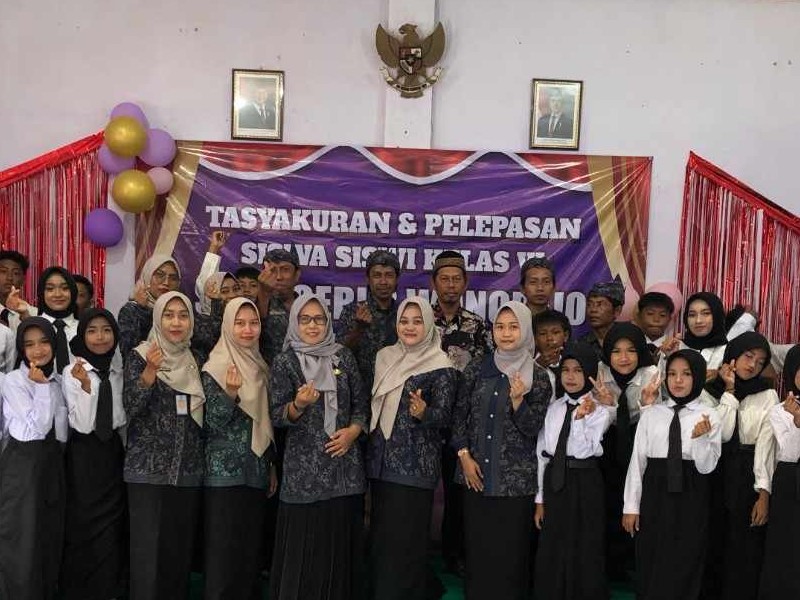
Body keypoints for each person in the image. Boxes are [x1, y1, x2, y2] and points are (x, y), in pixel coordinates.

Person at [268, 294, 368, 600]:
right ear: (295, 323)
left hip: (343, 468)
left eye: (319, 319)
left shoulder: (343, 357)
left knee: (339, 548)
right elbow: (276, 415)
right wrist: (297, 405)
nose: (313, 326)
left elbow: (361, 404)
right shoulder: (285, 361)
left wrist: (353, 431)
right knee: (305, 550)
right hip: (304, 473)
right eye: (305, 319)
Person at [452, 300, 551, 599]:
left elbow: (534, 429)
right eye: (500, 327)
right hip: (476, 477)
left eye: (514, 327)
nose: (506, 333)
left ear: (525, 330)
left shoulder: (539, 376)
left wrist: (519, 402)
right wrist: (464, 456)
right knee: (479, 552)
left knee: (510, 556)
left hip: (514, 484)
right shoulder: (477, 368)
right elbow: (459, 416)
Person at [367, 297, 458, 600]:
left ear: (429, 325)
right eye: (404, 321)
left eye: (417, 321)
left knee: (407, 540)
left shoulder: (440, 365)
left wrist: (424, 413)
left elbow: (446, 417)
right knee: (383, 536)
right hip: (380, 462)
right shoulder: (384, 357)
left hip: (414, 466)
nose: (410, 327)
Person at [123, 291, 205, 599]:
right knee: (147, 558)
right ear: (157, 319)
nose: (176, 322)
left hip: (187, 472)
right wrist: (149, 373)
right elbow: (129, 408)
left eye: (183, 316)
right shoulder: (140, 355)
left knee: (177, 556)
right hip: (148, 473)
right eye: (168, 315)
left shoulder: (195, 359)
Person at [622, 349, 722, 599]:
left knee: (686, 556)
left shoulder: (709, 414)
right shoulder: (652, 413)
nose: (678, 380)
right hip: (654, 492)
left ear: (697, 377)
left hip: (692, 492)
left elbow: (708, 467)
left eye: (686, 374)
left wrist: (700, 439)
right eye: (672, 374)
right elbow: (638, 462)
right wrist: (631, 506)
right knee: (652, 554)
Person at [202, 297, 278, 599]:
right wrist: (231, 393)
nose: (248, 330)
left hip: (256, 470)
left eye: (253, 323)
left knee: (249, 553)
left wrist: (270, 465)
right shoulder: (215, 366)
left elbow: (266, 421)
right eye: (240, 323)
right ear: (227, 325)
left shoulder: (261, 366)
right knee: (223, 555)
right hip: (223, 474)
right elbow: (212, 422)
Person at [430, 250, 492, 577]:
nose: (451, 285)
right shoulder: (420, 320)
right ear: (434, 283)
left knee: (458, 492)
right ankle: (417, 555)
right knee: (418, 490)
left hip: (462, 422)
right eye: (445, 279)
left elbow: (487, 372)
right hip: (425, 420)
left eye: (456, 279)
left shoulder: (477, 326)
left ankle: (455, 554)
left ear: (465, 283)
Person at [534, 342, 611, 600]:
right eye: (566, 369)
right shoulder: (554, 408)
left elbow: (587, 448)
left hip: (585, 480)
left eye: (578, 370)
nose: (570, 376)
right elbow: (542, 454)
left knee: (584, 542)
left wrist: (580, 419)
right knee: (554, 541)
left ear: (589, 373)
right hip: (555, 482)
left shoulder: (599, 409)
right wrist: (540, 499)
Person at [60, 308, 127, 600]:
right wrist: (87, 387)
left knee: (112, 528)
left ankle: (108, 589)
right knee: (84, 525)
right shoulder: (71, 371)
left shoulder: (119, 369)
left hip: (113, 453)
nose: (100, 337)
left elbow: (122, 418)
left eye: (106, 330)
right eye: (92, 331)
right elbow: (83, 424)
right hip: (83, 455)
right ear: (82, 335)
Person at [705, 332, 778, 600]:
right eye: (748, 356)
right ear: (733, 355)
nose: (752, 365)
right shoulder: (708, 391)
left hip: (748, 475)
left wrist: (763, 494)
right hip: (714, 473)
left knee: (744, 547)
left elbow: (766, 449)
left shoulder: (767, 395)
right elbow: (721, 435)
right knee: (712, 541)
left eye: (760, 362)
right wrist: (729, 391)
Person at [0, 318, 68, 599]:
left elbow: (62, 432)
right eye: (29, 345)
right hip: (22, 468)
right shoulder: (14, 381)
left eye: (44, 342)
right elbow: (37, 428)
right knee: (22, 541)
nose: (38, 350)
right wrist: (40, 387)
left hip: (52, 465)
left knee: (49, 536)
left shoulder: (58, 380)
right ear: (21, 349)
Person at [595, 321, 661, 582]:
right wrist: (606, 408)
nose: (624, 358)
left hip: (640, 436)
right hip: (607, 439)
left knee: (636, 500)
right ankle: (608, 565)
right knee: (607, 500)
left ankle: (633, 563)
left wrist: (647, 405)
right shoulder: (599, 372)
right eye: (616, 351)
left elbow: (657, 420)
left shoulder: (652, 374)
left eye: (631, 350)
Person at [759, 345, 800, 599]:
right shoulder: (780, 410)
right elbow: (789, 452)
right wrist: (797, 423)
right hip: (789, 481)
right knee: (787, 544)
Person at [335, 249, 400, 391]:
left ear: (397, 279)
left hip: (395, 392)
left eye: (389, 275)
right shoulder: (352, 311)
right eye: (377, 275)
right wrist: (359, 329)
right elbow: (338, 356)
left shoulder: (404, 314)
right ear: (368, 279)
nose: (383, 281)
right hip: (359, 394)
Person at [118, 254, 182, 362]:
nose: (166, 282)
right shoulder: (131, 310)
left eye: (173, 278)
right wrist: (142, 310)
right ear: (147, 277)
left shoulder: (180, 310)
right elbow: (129, 353)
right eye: (160, 275)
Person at [256, 248, 301, 365]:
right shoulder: (255, 305)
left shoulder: (308, 307)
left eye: (285, 270)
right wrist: (263, 293)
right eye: (272, 270)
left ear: (297, 275)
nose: (279, 277)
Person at [579, 279, 624, 359]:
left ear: (617, 310)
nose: (593, 310)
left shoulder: (627, 341)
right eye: (589, 304)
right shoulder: (579, 345)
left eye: (600, 304)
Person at [533, 309, 572, 395]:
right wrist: (537, 367)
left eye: (555, 332)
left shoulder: (574, 363)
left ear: (565, 336)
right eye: (543, 333)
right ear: (535, 339)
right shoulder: (528, 366)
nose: (549, 338)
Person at [635, 291, 676, 365]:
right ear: (639, 316)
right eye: (650, 313)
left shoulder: (675, 349)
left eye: (662, 315)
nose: (656, 319)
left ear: (670, 319)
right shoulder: (632, 346)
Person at [0, 249, 29, 329]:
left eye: (15, 273)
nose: (9, 278)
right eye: (3, 271)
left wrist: (27, 318)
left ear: (23, 280)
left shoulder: (33, 314)